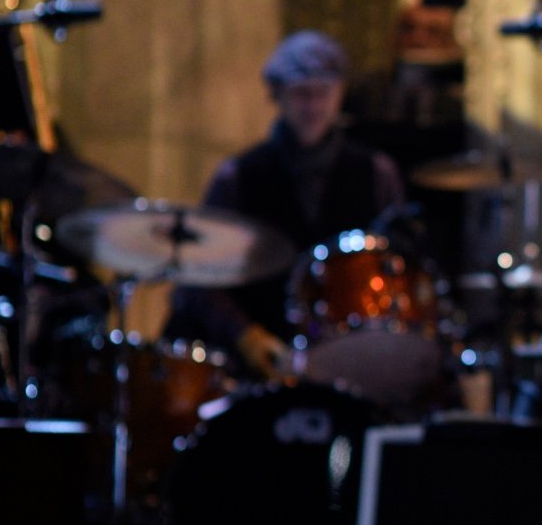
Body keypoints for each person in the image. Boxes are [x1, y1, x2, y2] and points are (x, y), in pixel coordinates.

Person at [166, 30, 402, 378]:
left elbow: (397, 266)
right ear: (276, 96)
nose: (314, 107)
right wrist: (244, 335)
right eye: (302, 95)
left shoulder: (376, 173)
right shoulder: (237, 176)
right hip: (254, 367)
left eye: (323, 93)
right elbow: (197, 279)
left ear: (340, 94)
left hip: (348, 364)